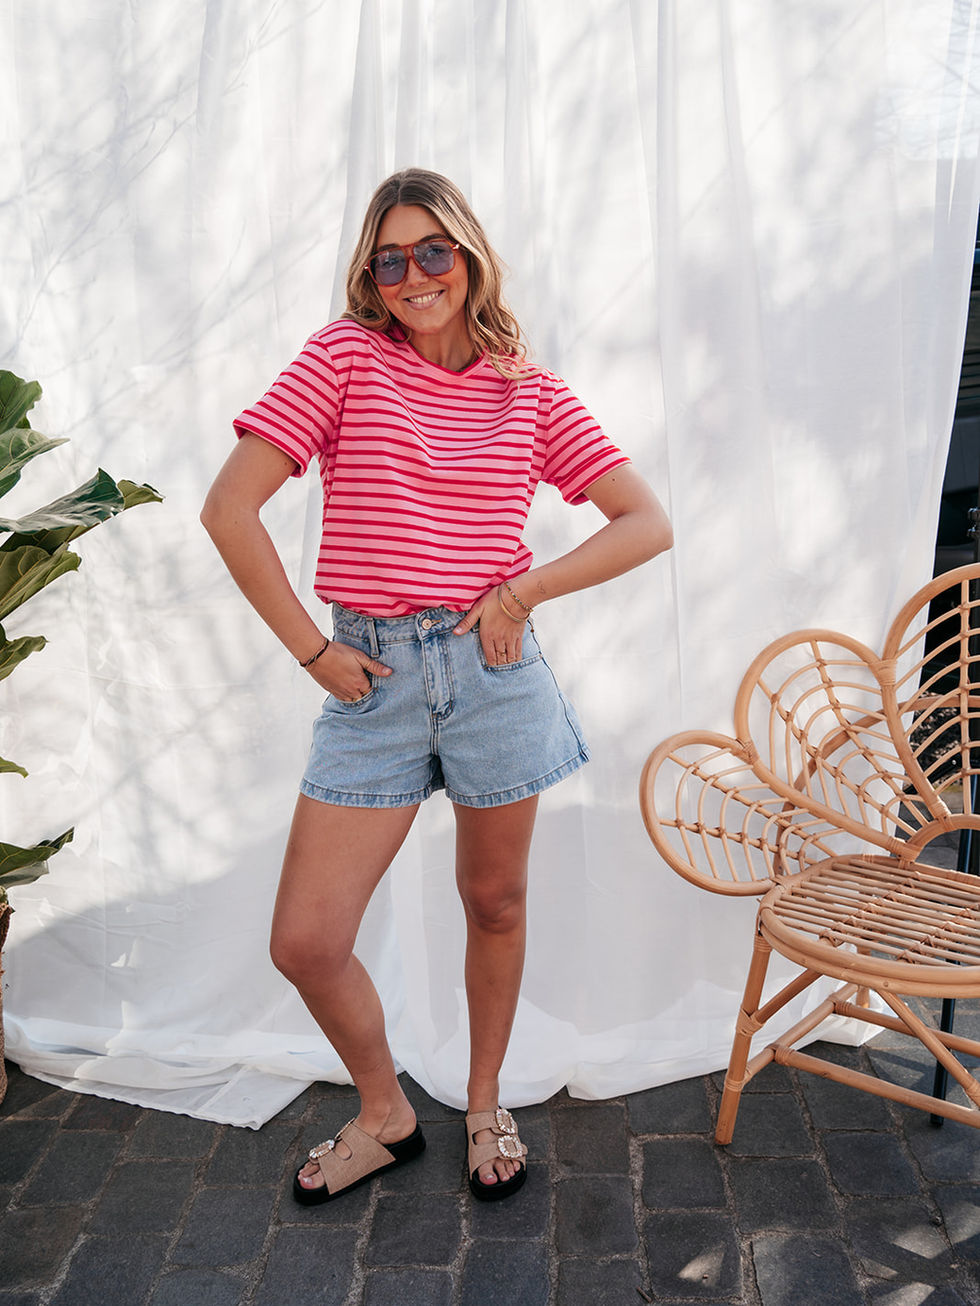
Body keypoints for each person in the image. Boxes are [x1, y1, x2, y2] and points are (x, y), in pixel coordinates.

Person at [201, 167, 672, 1204]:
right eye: (389, 260)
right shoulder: (344, 357)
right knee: (306, 940)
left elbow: (646, 521)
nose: (413, 275)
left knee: (493, 901)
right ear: (368, 277)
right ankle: (385, 1112)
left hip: (493, 674)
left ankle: (486, 1099)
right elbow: (228, 509)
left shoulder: (527, 389)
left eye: (431, 251)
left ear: (467, 256)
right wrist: (313, 652)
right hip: (369, 679)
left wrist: (522, 592)